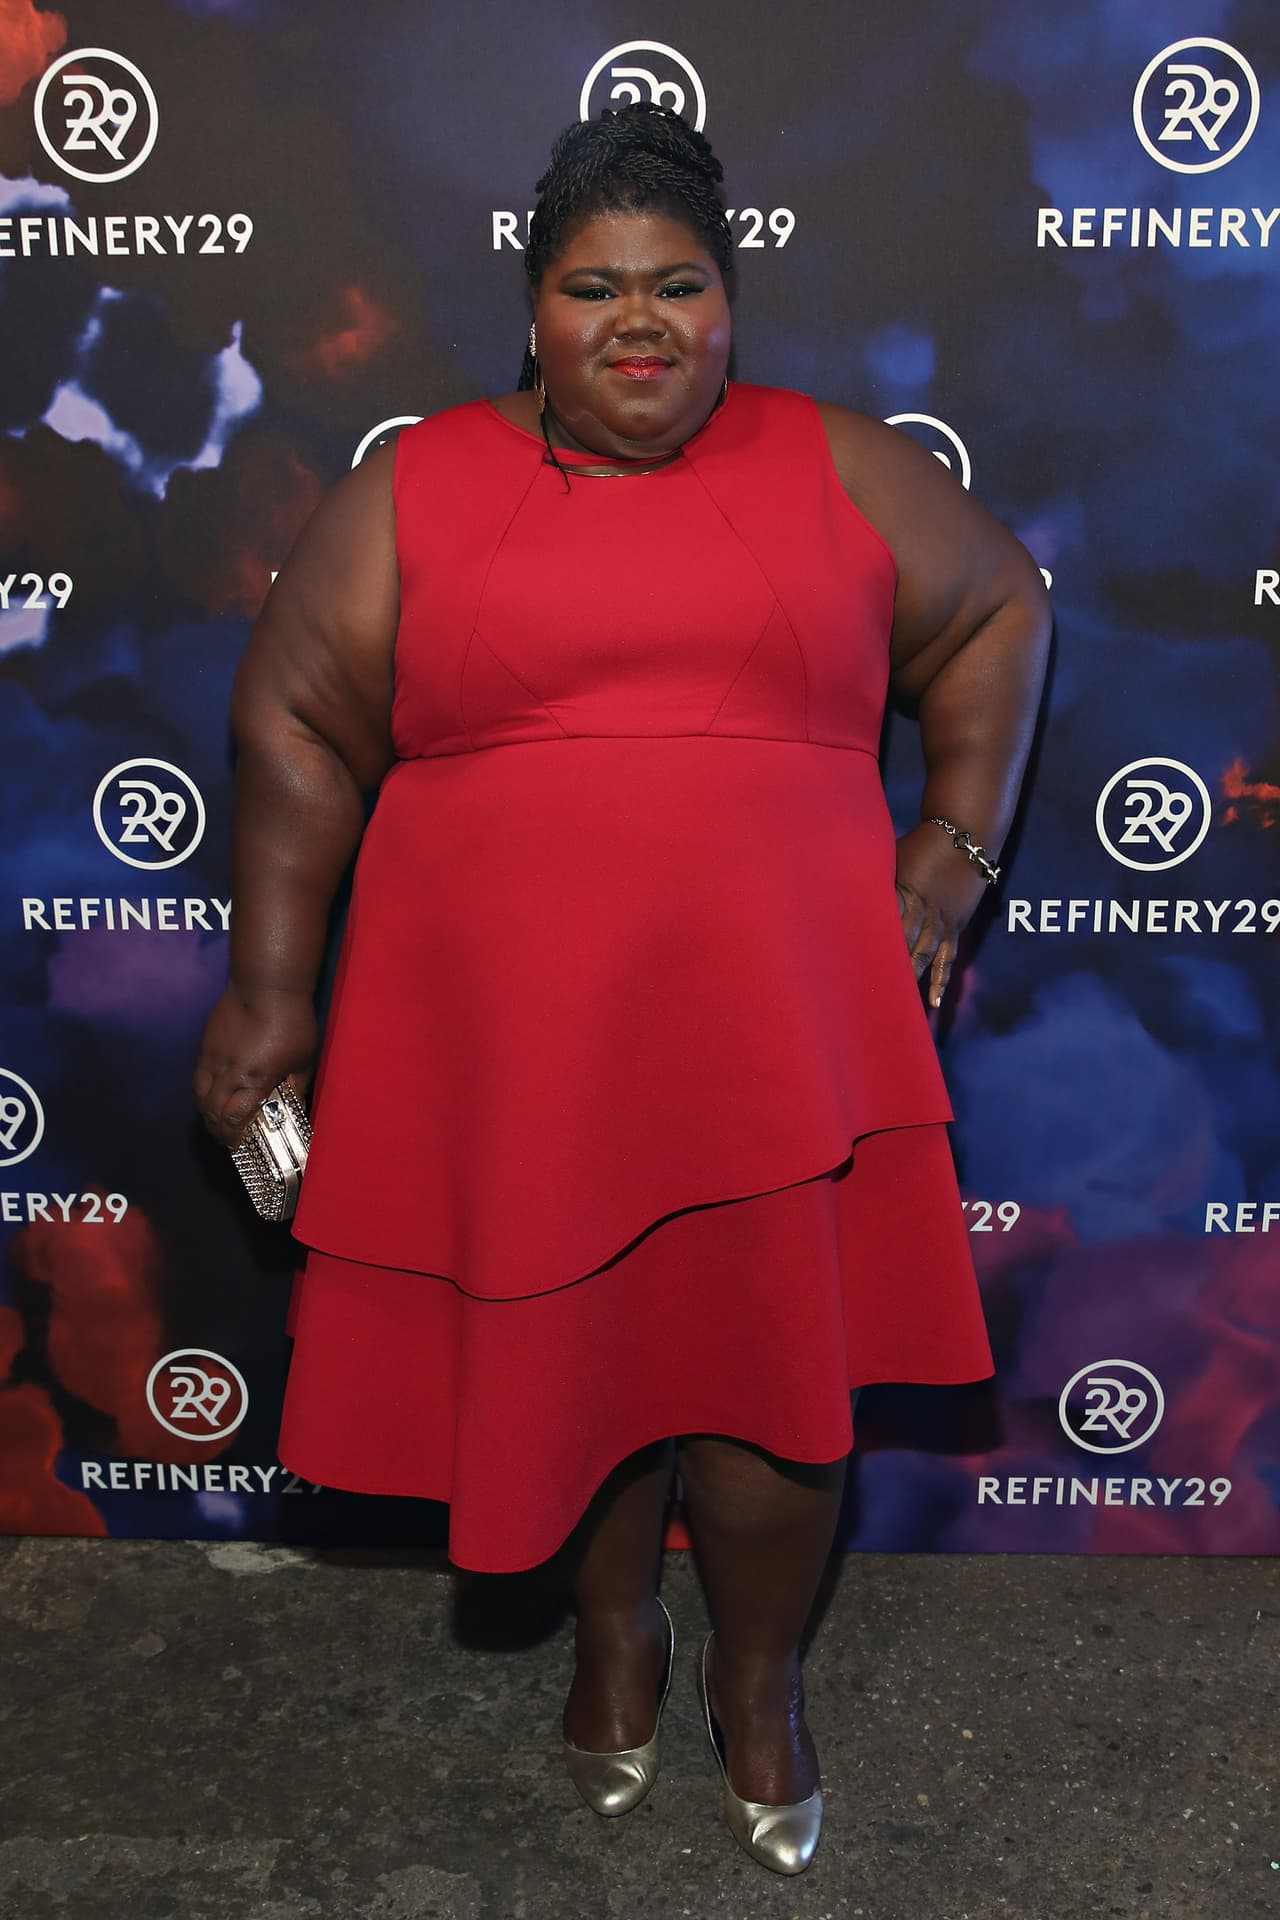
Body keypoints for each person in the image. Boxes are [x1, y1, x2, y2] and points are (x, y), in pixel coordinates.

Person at [194, 101, 1050, 1876]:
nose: (639, 321)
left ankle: (758, 1685)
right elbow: (291, 720)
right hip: (520, 1045)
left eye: (680, 285)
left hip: (775, 1034)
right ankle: (613, 1641)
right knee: (574, 1367)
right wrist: (270, 995)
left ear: (734, 306)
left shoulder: (833, 462)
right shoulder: (418, 478)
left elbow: (999, 611)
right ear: (531, 313)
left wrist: (948, 856)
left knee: (769, 1391)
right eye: (595, 289)